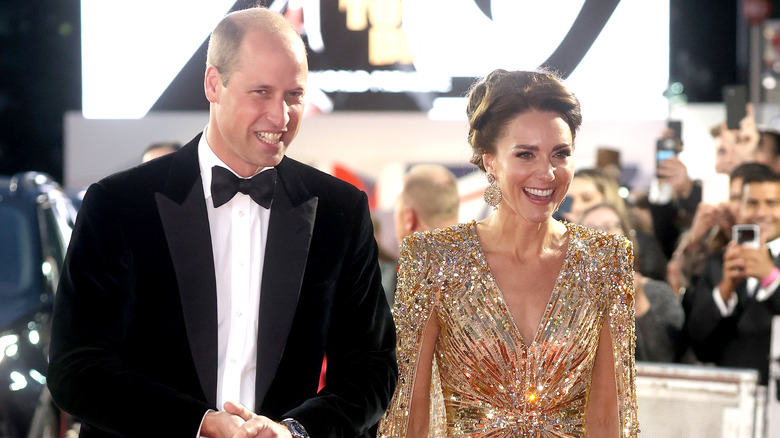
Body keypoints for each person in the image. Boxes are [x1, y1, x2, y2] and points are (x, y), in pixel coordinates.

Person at [47, 7, 397, 438]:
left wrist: (295, 431)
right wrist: (198, 424)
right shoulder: (119, 205)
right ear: (214, 83)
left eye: (294, 95)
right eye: (261, 93)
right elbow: (75, 368)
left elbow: (371, 368)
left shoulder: (339, 211)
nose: (281, 117)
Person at [377, 69, 638, 437]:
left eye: (560, 154)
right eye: (525, 154)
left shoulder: (604, 260)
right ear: (490, 161)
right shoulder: (434, 258)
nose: (546, 173)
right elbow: (410, 412)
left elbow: (610, 415)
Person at [686, 163, 780, 385]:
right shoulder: (718, 263)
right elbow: (700, 346)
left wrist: (770, 278)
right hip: (730, 395)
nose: (761, 213)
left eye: (772, 203)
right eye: (752, 203)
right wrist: (725, 290)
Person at [579, 202, 684, 363]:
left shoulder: (658, 293)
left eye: (609, 226)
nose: (601, 235)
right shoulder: (566, 298)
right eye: (590, 229)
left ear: (627, 237)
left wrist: (639, 303)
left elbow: (663, 361)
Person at [566, 167, 667, 281]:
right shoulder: (560, 246)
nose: (576, 207)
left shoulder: (642, 246)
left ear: (609, 199)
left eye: (587, 199)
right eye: (569, 201)